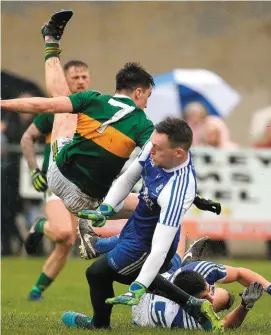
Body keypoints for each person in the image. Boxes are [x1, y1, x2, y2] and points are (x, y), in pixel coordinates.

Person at [61, 117, 224, 332]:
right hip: (136, 225)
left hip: (145, 245)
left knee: (97, 273)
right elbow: (129, 177)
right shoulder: (157, 145)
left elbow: (159, 249)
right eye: (152, 144)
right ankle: (192, 304)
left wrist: (138, 288)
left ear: (179, 154)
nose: (150, 149)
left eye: (157, 148)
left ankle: (99, 325)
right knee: (136, 276)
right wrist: (107, 207)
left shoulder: (176, 191)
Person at [20, 60, 92, 300]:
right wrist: (33, 170)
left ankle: (36, 290)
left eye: (84, 77)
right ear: (65, 81)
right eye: (75, 77)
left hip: (81, 185)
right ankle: (40, 226)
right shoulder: (58, 108)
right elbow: (27, 139)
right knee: (62, 233)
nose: (81, 81)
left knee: (67, 242)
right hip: (56, 182)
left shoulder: (95, 109)